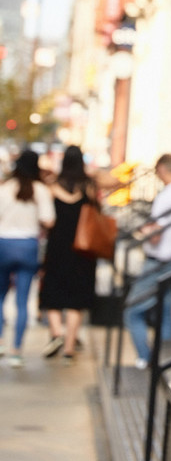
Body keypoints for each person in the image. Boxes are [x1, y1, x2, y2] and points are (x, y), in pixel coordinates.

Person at [123, 153, 171, 369]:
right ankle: (162, 362)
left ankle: (146, 358)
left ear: (162, 169)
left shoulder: (168, 196)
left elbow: (155, 235)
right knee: (165, 313)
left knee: (132, 312)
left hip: (158, 261)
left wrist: (140, 230)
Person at [38, 144, 99, 362]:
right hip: (82, 249)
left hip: (57, 248)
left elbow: (46, 218)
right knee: (76, 299)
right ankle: (69, 347)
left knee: (53, 292)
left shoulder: (52, 186)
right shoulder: (89, 185)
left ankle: (57, 334)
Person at [0, 148, 55, 367]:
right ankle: (16, 351)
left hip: (4, 244)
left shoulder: (5, 188)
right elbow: (49, 220)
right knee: (22, 301)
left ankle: (0, 341)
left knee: (0, 296)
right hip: (28, 246)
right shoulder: (40, 190)